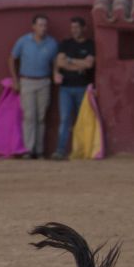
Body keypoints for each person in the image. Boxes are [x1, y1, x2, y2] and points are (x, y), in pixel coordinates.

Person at [7, 14, 58, 159]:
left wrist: (55, 74)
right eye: (40, 25)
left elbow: (55, 61)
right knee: (29, 116)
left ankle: (39, 150)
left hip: (44, 82)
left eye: (45, 26)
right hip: (27, 81)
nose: (43, 28)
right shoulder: (23, 41)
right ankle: (29, 150)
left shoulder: (52, 43)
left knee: (41, 117)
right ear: (33, 27)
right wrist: (15, 80)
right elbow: (11, 59)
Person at [51, 17, 96, 160]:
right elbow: (59, 62)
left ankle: (79, 151)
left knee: (81, 120)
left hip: (83, 88)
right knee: (65, 119)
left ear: (84, 28)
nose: (74, 30)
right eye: (72, 28)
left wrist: (69, 61)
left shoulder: (90, 44)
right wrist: (78, 65)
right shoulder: (65, 43)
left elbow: (89, 65)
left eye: (77, 27)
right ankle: (60, 150)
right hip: (66, 89)